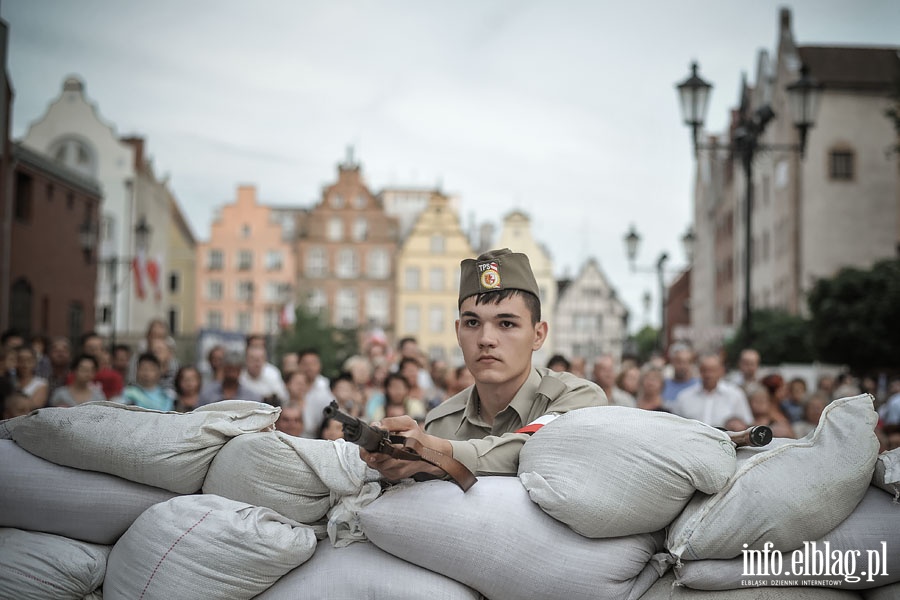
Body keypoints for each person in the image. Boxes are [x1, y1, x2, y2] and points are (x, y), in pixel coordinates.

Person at [361, 248, 607, 480]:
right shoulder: (442, 422)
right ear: (458, 332)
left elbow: (533, 450)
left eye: (507, 324)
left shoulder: (578, 399)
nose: (486, 339)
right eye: (472, 323)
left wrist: (436, 453)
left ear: (538, 335)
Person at [669, 353, 753, 429]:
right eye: (704, 370)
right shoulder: (684, 396)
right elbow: (675, 427)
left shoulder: (735, 394)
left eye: (712, 370)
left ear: (721, 371)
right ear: (699, 371)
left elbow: (746, 424)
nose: (708, 375)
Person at [197, 351, 263, 406]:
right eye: (229, 369)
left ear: (240, 370)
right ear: (223, 368)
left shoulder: (252, 398)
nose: (232, 373)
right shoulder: (207, 393)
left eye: (235, 369)